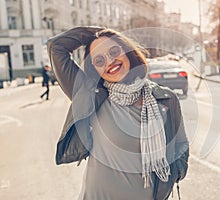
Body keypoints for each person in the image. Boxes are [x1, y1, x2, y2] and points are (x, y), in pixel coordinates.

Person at [47, 26, 189, 200]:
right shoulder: (91, 96)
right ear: (95, 70)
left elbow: (181, 143)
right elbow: (56, 46)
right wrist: (99, 33)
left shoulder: (166, 99)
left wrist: (175, 172)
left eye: (114, 50)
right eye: (99, 60)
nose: (110, 61)